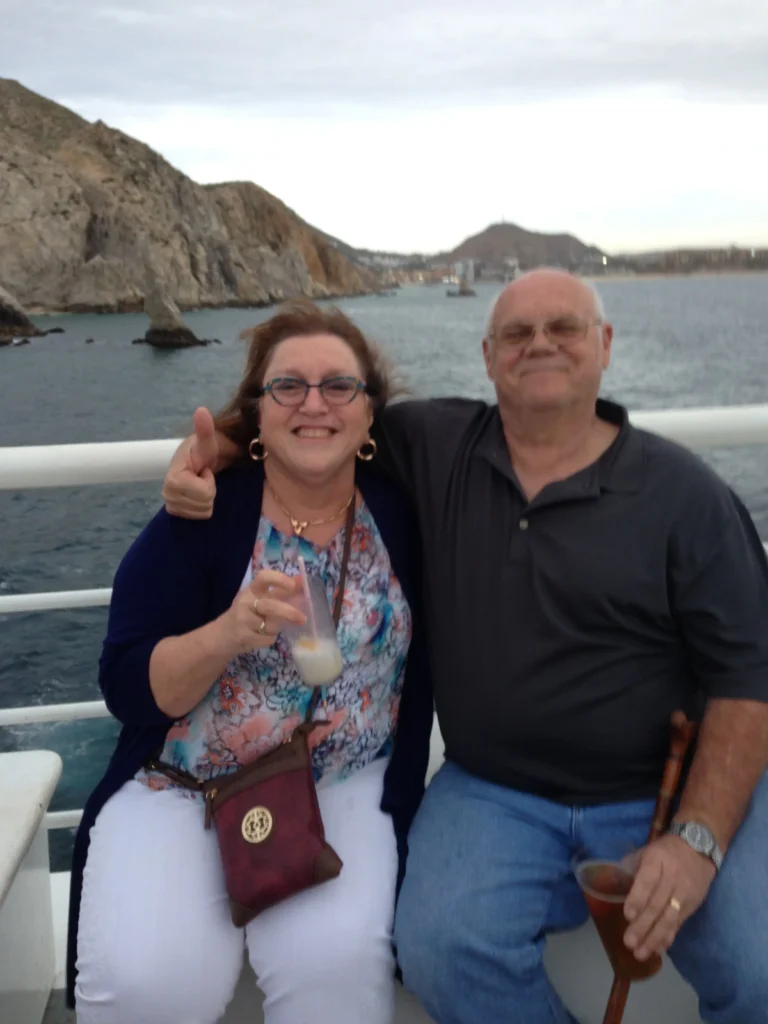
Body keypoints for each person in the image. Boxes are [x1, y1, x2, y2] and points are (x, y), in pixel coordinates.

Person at [162, 269, 768, 1024]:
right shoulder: (436, 445)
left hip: (667, 793)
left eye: (565, 328)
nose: (539, 343)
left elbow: (749, 680)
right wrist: (211, 451)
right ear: (487, 357)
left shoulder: (686, 497)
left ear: (605, 346)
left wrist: (697, 841)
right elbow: (313, 425)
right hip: (497, 793)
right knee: (439, 950)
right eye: (517, 333)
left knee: (760, 965)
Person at [66, 300, 433, 1024]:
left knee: (338, 971)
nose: (314, 404)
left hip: (344, 778)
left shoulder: (404, 508)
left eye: (339, 387)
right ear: (258, 416)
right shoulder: (204, 515)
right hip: (185, 787)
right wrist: (227, 634)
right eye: (287, 387)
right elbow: (127, 684)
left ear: (368, 417)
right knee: (147, 983)